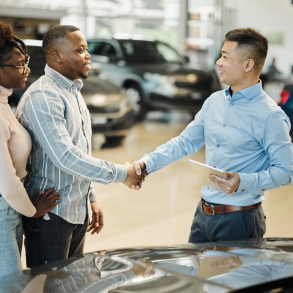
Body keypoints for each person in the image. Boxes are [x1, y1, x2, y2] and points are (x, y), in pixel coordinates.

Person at [132, 28, 293, 242]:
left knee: (232, 277)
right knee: (197, 276)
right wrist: (146, 164)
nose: (218, 62)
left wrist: (243, 181)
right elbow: (185, 142)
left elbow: (286, 170)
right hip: (203, 215)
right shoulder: (214, 102)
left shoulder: (270, 116)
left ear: (248, 65)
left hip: (240, 220)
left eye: (225, 56)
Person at [16, 25, 146, 268]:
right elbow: (66, 156)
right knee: (51, 286)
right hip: (51, 214)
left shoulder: (73, 92)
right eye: (80, 50)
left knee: (71, 283)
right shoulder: (44, 96)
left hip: (76, 208)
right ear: (57, 56)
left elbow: (81, 150)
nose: (88, 55)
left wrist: (91, 197)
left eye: (87, 49)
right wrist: (123, 174)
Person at [0, 21, 60, 277]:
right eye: (19, 64)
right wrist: (32, 210)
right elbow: (6, 180)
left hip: (9, 208)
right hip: (5, 208)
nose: (27, 69)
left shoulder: (4, 102)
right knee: (9, 282)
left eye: (25, 62)